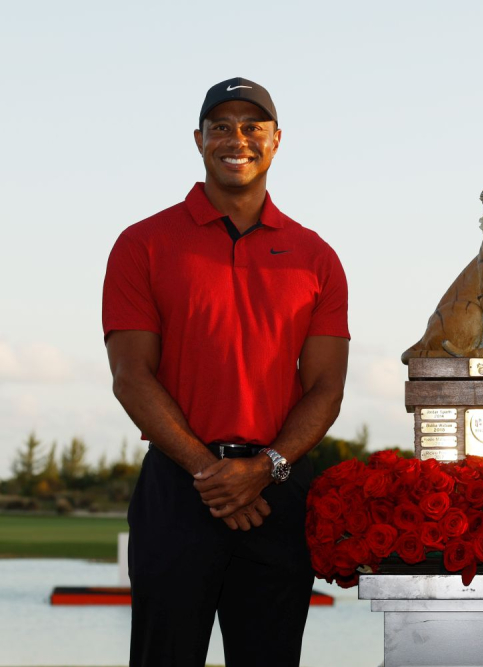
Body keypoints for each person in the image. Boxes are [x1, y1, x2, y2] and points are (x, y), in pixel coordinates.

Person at [102, 77, 350, 667]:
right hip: (178, 487)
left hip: (278, 490)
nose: (236, 139)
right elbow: (131, 376)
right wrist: (212, 474)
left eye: (252, 127)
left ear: (276, 140)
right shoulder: (142, 244)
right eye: (221, 127)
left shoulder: (316, 256)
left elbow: (326, 387)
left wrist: (264, 469)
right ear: (198, 139)